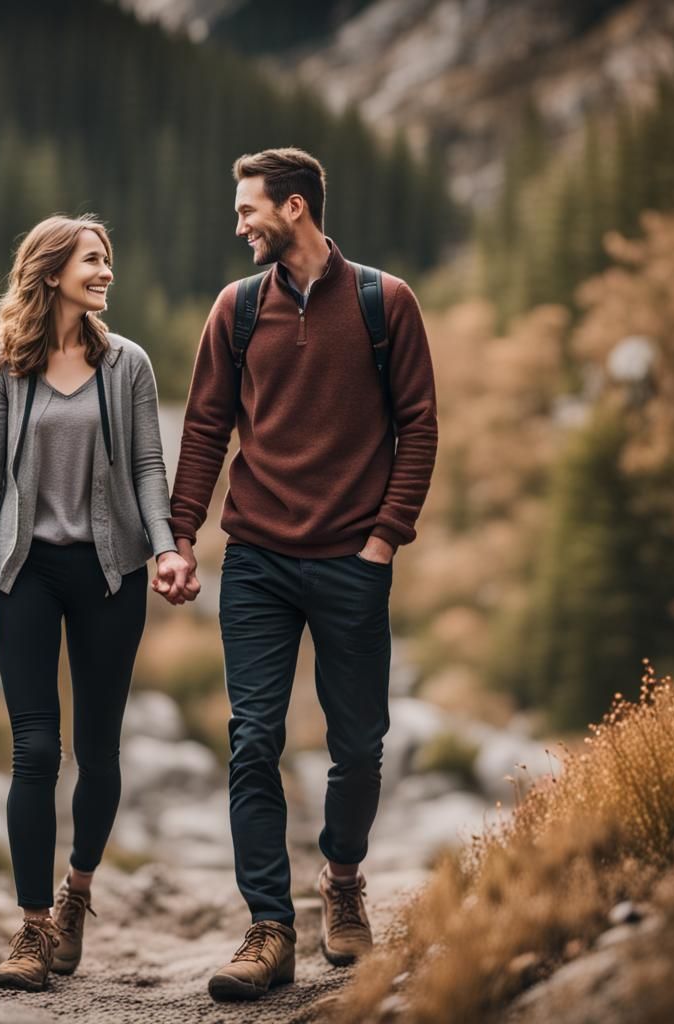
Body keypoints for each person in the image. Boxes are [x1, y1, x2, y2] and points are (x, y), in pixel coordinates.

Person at [167, 148, 438, 1001]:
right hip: (255, 562)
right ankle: (268, 928)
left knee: (358, 747)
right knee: (253, 739)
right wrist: (180, 535)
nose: (239, 223)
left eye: (249, 209)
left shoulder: (384, 303)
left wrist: (384, 540)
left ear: (293, 207)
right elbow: (206, 428)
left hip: (354, 560)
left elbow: (420, 427)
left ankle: (344, 883)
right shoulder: (237, 309)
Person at [0, 214, 191, 991]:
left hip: (110, 576)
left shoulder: (127, 364)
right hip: (24, 574)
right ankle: (28, 931)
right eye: (95, 261)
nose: (107, 273)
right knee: (34, 750)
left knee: (97, 750)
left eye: (109, 261)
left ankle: (76, 893)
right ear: (53, 269)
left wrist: (163, 547)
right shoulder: (3, 363)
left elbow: (150, 469)